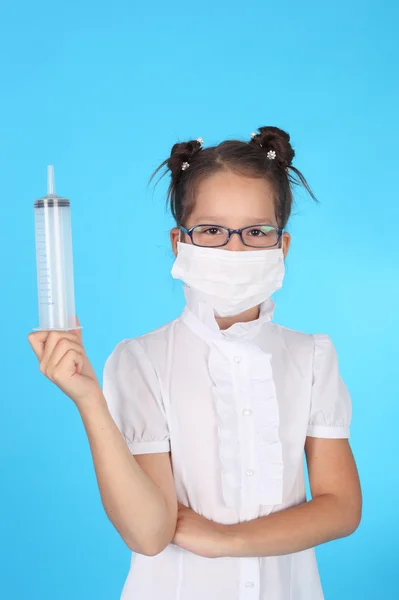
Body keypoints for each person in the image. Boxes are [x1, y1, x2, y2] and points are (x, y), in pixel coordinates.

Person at [28, 126, 362, 600]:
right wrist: (88, 399)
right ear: (178, 241)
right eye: (210, 230)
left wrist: (227, 540)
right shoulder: (142, 361)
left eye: (256, 232)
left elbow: (341, 507)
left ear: (282, 245)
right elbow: (148, 533)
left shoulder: (311, 357)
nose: (234, 249)